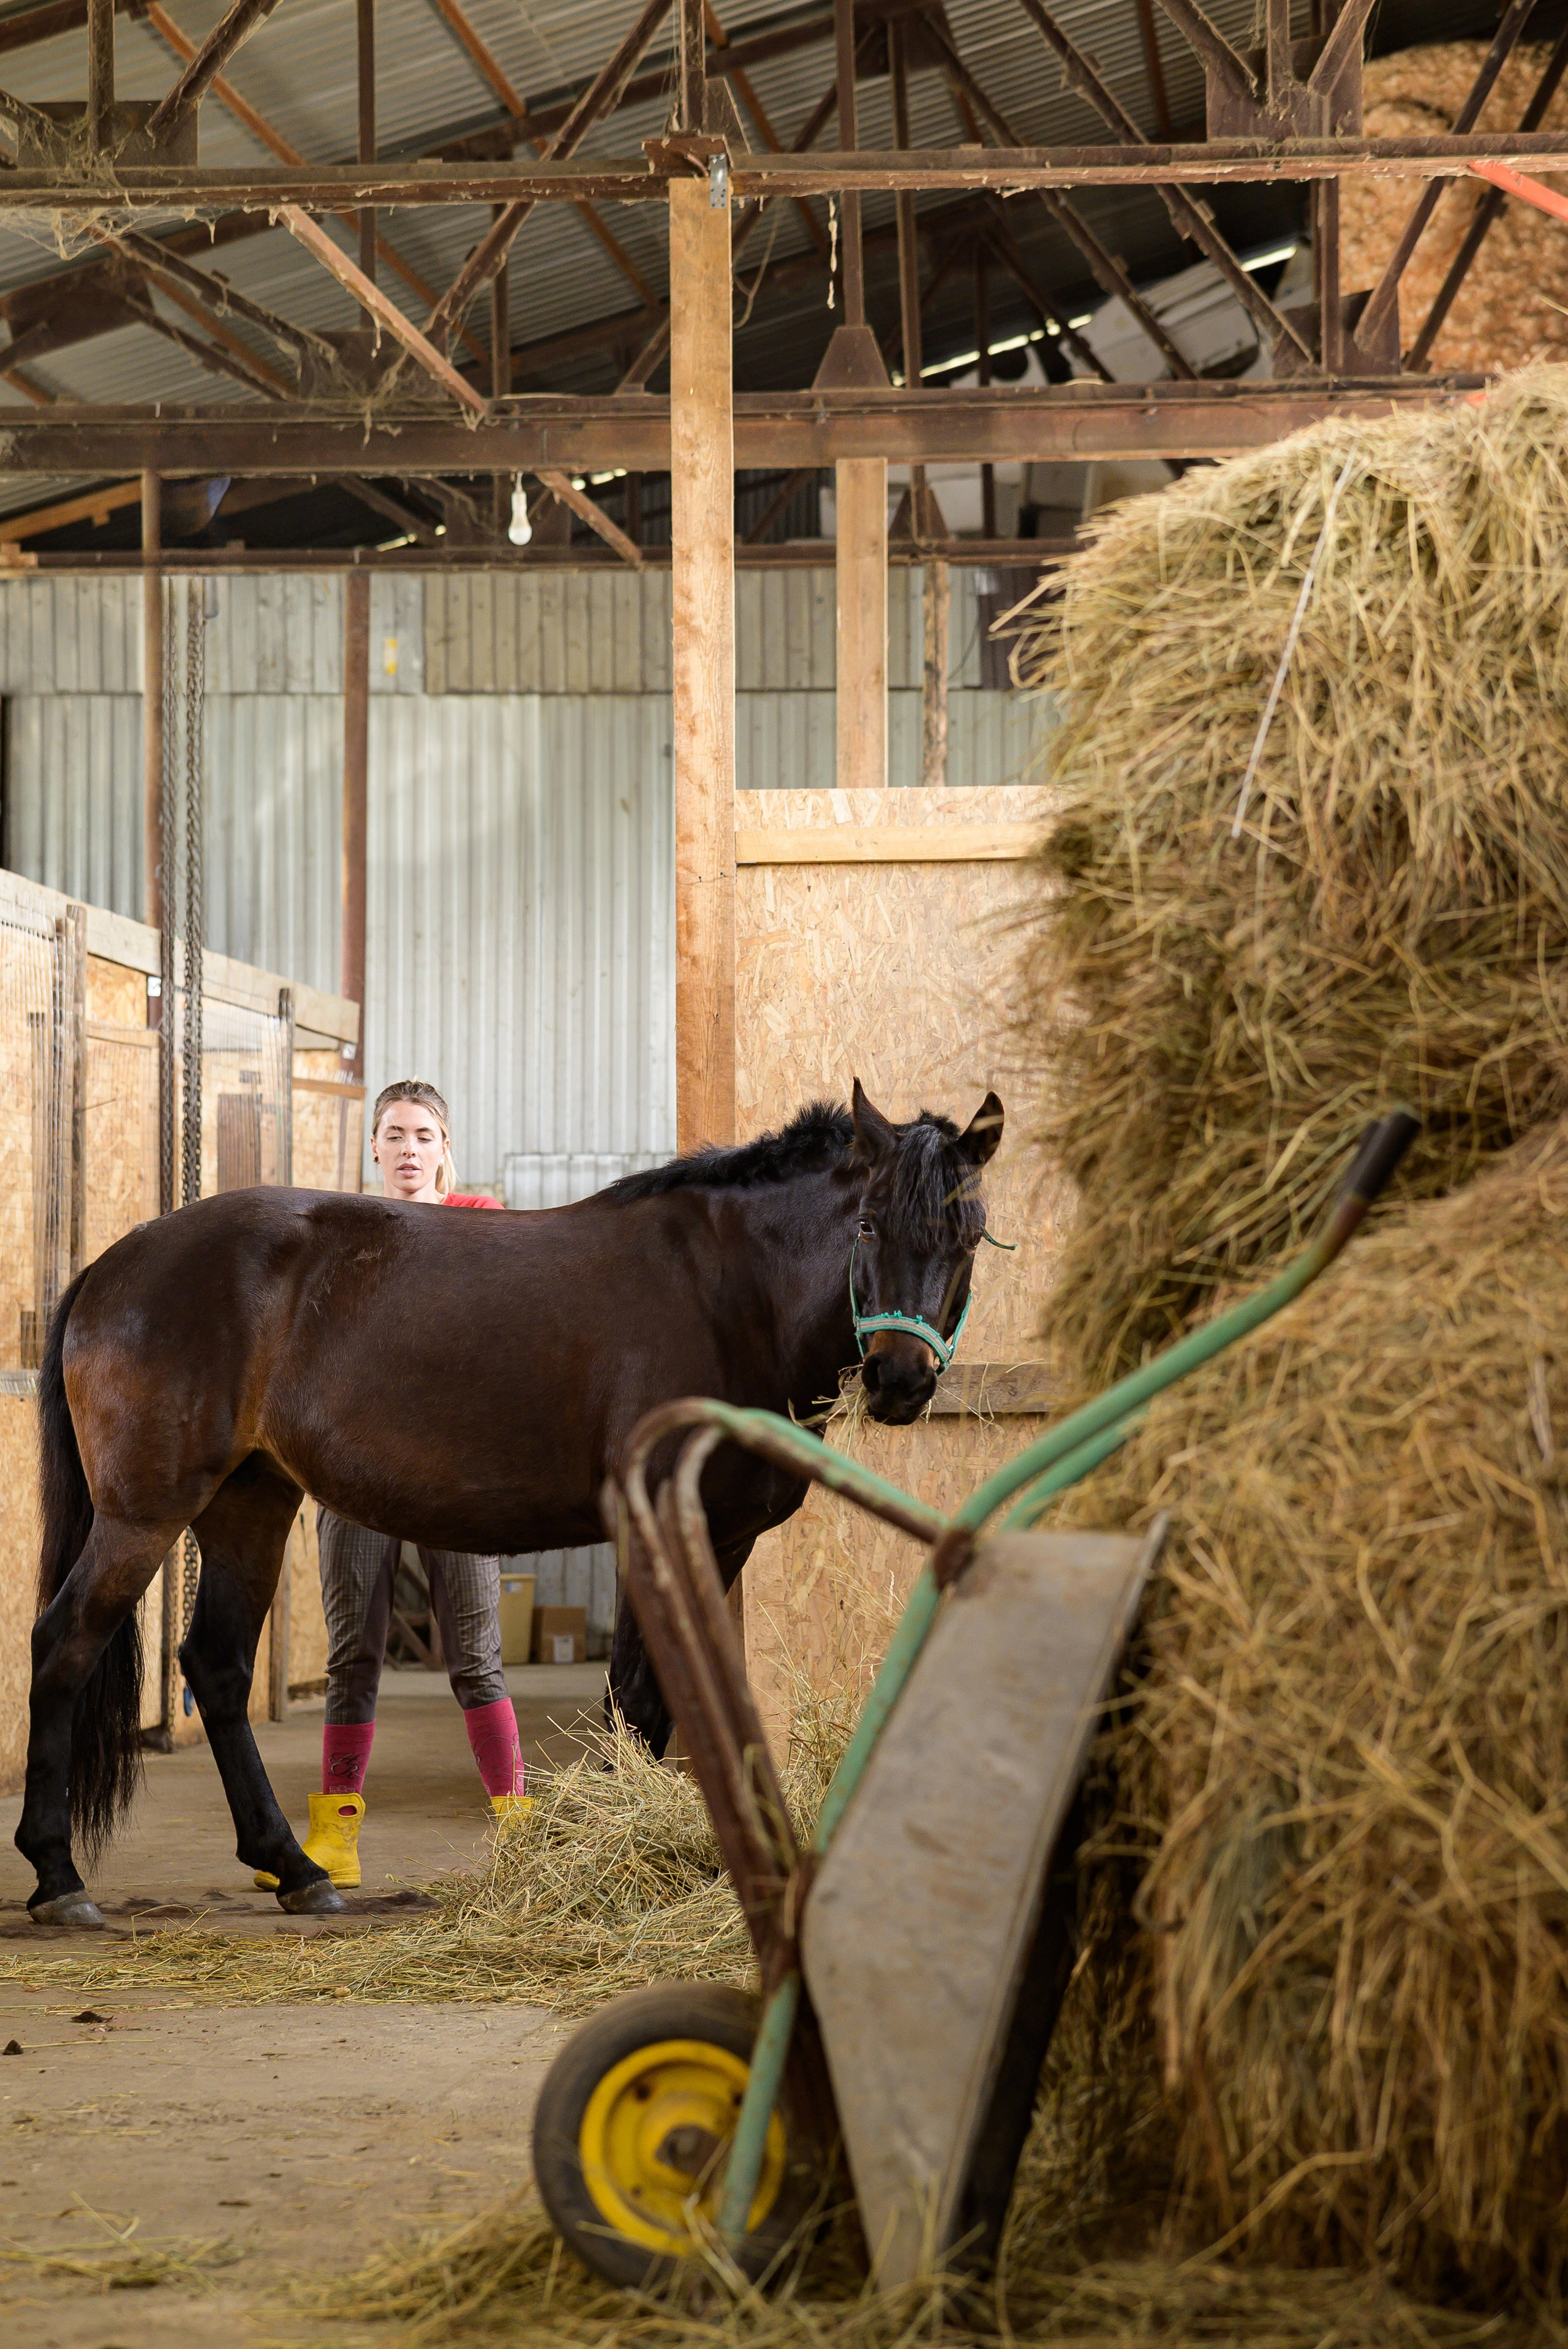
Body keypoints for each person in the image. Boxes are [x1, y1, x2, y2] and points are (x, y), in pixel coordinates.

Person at [258, 1079, 528, 1895]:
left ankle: (519, 1829)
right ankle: (335, 1834)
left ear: (446, 1150)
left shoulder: (480, 1226)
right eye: (395, 1135)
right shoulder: (347, 1237)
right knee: (352, 1656)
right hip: (360, 1471)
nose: (409, 1149)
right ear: (373, 1148)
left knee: (477, 1658)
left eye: (424, 1135)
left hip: (456, 1475)